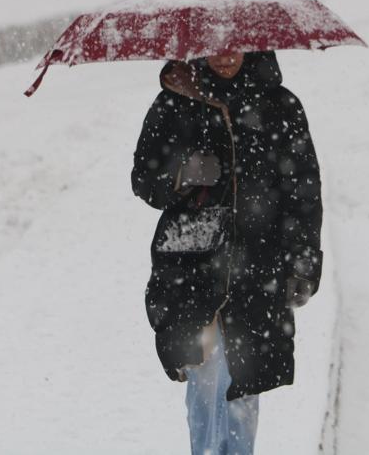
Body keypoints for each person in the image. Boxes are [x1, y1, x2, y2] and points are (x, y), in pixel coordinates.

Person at [132, 51, 323, 455]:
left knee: (243, 387)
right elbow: (144, 180)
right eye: (215, 47)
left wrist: (303, 260)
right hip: (190, 268)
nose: (224, 57)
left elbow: (303, 191)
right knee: (204, 383)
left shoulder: (278, 105)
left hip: (256, 268)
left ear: (253, 46)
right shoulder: (175, 102)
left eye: (234, 46)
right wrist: (182, 173)